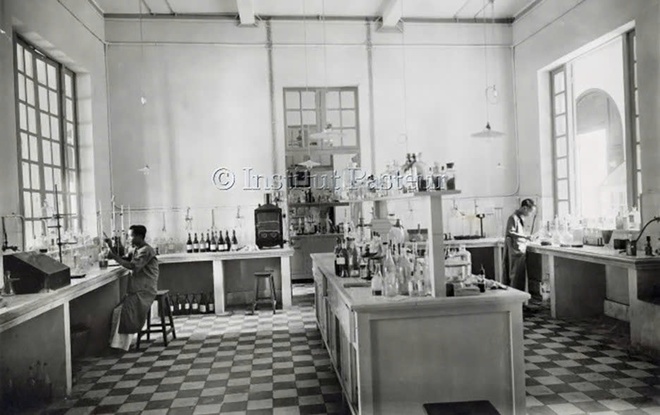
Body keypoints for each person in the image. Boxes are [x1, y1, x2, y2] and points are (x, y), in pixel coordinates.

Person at [106, 225, 159, 351]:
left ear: (140, 236)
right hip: (138, 288)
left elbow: (132, 266)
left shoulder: (146, 250)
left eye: (131, 236)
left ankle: (120, 346)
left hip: (145, 290)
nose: (129, 239)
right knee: (120, 311)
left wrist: (114, 257)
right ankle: (120, 344)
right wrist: (110, 247)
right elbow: (124, 258)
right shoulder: (137, 249)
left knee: (124, 312)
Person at [502, 199, 536, 297]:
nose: (530, 214)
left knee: (519, 277)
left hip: (519, 250)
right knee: (515, 276)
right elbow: (510, 232)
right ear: (525, 208)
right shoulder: (513, 218)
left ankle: (519, 299)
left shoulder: (520, 218)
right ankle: (514, 299)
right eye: (530, 212)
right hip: (515, 251)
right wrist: (525, 236)